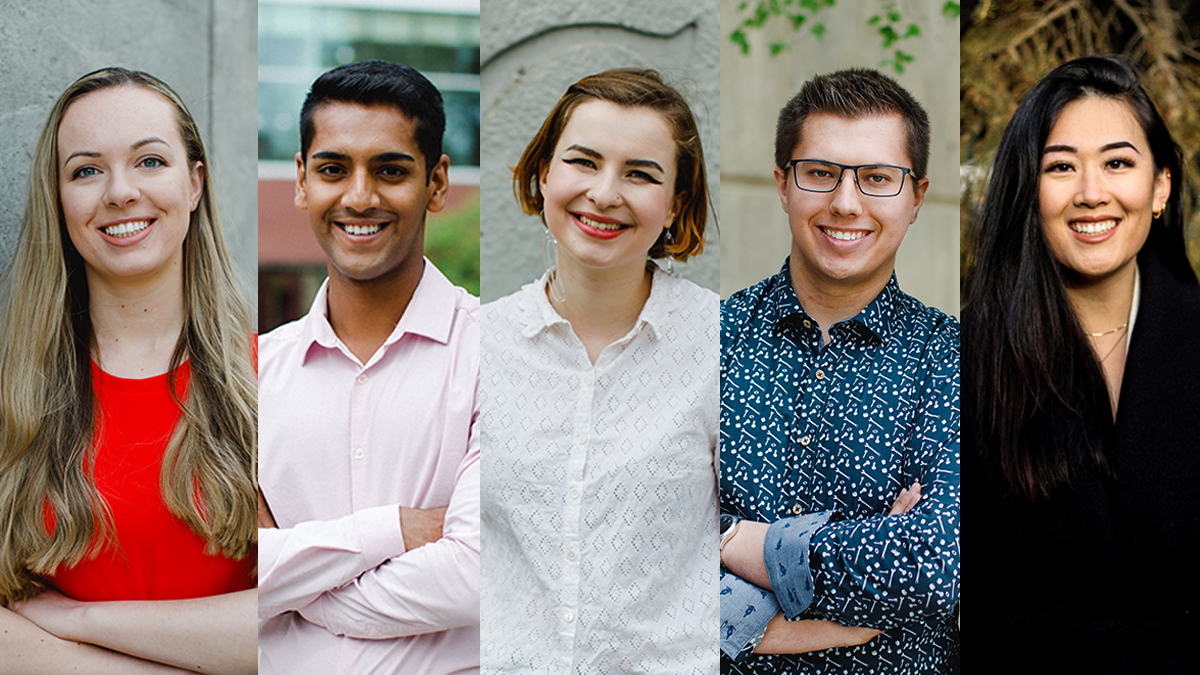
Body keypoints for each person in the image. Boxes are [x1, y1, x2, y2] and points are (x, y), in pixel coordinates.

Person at [0, 68, 257, 674]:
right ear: (59, 199)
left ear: (194, 185)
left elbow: (301, 615)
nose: (120, 192)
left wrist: (79, 620)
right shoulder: (12, 397)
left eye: (149, 162)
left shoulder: (273, 379)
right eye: (86, 170)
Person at [963, 54, 1199, 674]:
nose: (1092, 193)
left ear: (1160, 187)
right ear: (1027, 189)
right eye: (1061, 167)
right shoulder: (968, 361)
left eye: (1118, 163)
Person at [719, 68, 960, 674]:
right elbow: (630, 547)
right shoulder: (704, 341)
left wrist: (737, 542)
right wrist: (769, 628)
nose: (845, 203)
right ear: (783, 184)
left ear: (917, 196)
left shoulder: (953, 359)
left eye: (878, 178)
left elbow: (938, 566)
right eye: (820, 174)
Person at [479, 68, 718, 673]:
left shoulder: (725, 344)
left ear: (676, 204)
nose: (605, 193)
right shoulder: (479, 344)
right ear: (543, 174)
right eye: (583, 162)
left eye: (640, 174)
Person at [256, 60, 479, 675]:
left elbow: (475, 575)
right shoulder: (247, 376)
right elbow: (226, 575)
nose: (359, 196)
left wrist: (298, 589)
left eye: (390, 170)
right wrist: (398, 531)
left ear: (436, 184)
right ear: (301, 181)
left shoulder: (500, 352)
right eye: (333, 169)